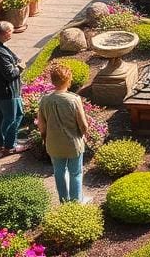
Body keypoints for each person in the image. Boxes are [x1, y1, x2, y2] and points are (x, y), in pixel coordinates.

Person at [37, 62, 90, 203]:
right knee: (76, 173)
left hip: (53, 144)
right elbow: (83, 125)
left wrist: (45, 137)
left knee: (59, 172)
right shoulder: (74, 99)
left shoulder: (44, 100)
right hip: (73, 144)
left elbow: (41, 126)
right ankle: (75, 202)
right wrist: (84, 135)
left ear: (52, 81)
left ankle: (63, 200)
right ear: (68, 80)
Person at [0, 21, 25, 155]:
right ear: (5, 33)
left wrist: (15, 60)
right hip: (7, 92)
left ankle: (0, 144)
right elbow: (10, 74)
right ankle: (10, 146)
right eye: (11, 32)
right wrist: (20, 67)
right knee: (14, 117)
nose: (12, 34)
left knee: (0, 117)